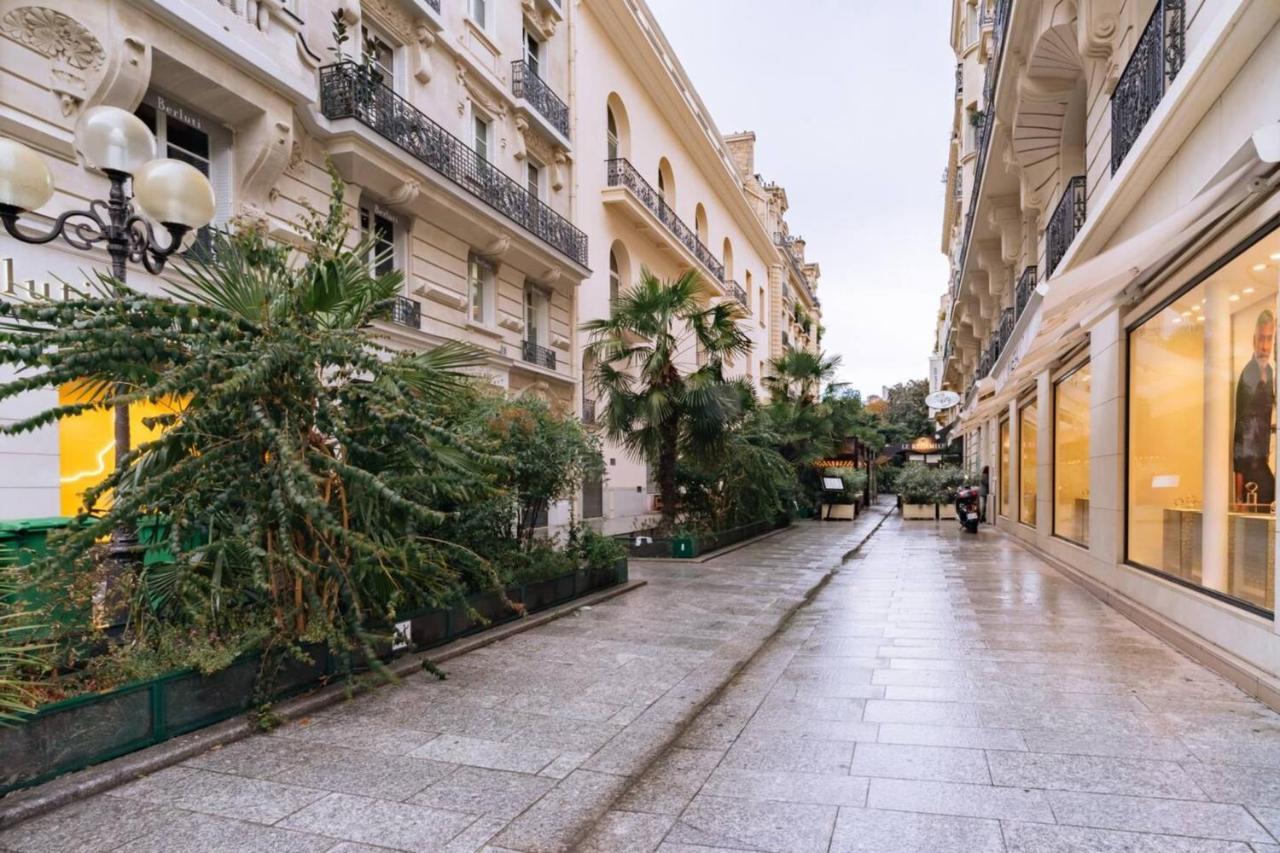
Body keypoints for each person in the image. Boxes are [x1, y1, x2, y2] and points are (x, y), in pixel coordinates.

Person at [1233, 309, 1276, 506]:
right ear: (1253, 340)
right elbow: (1240, 433)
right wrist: (1239, 494)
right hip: (1250, 473)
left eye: (1269, 339)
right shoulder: (1249, 375)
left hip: (1263, 467)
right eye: (1261, 339)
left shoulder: (1269, 372)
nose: (1264, 346)